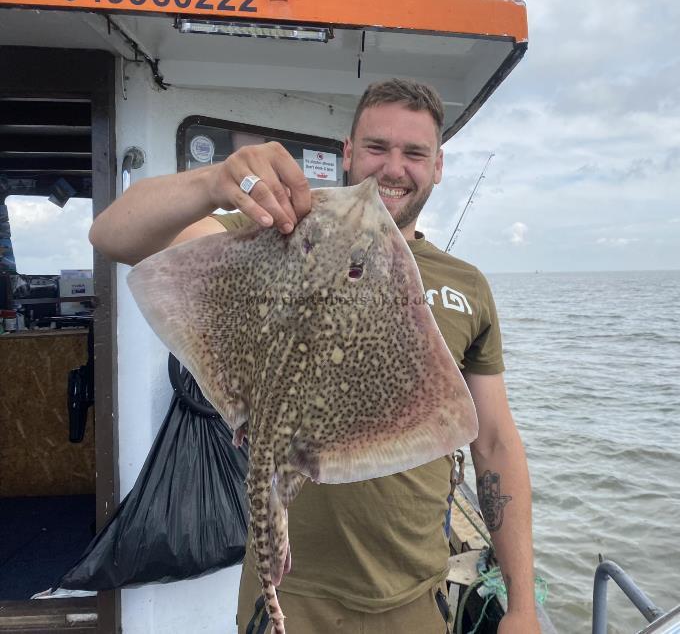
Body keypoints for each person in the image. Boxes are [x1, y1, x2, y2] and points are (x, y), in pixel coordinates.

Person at [90, 79, 540, 634]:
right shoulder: (277, 234)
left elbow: (495, 442)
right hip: (289, 590)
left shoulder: (465, 285)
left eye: (414, 153)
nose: (393, 168)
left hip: (413, 594)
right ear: (347, 153)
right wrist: (215, 179)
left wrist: (521, 605)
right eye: (377, 148)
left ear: (438, 166)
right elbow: (113, 234)